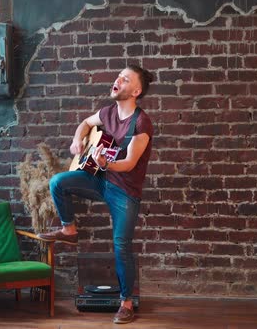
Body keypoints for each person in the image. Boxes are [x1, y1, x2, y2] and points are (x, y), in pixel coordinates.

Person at [37, 64, 154, 324]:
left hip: (124, 190)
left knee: (121, 246)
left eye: (125, 79)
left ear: (135, 90)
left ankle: (125, 303)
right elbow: (86, 123)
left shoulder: (141, 123)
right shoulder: (108, 112)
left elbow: (129, 163)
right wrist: (78, 140)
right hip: (98, 179)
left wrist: (107, 164)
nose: (118, 80)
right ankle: (69, 229)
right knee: (58, 182)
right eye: (118, 77)